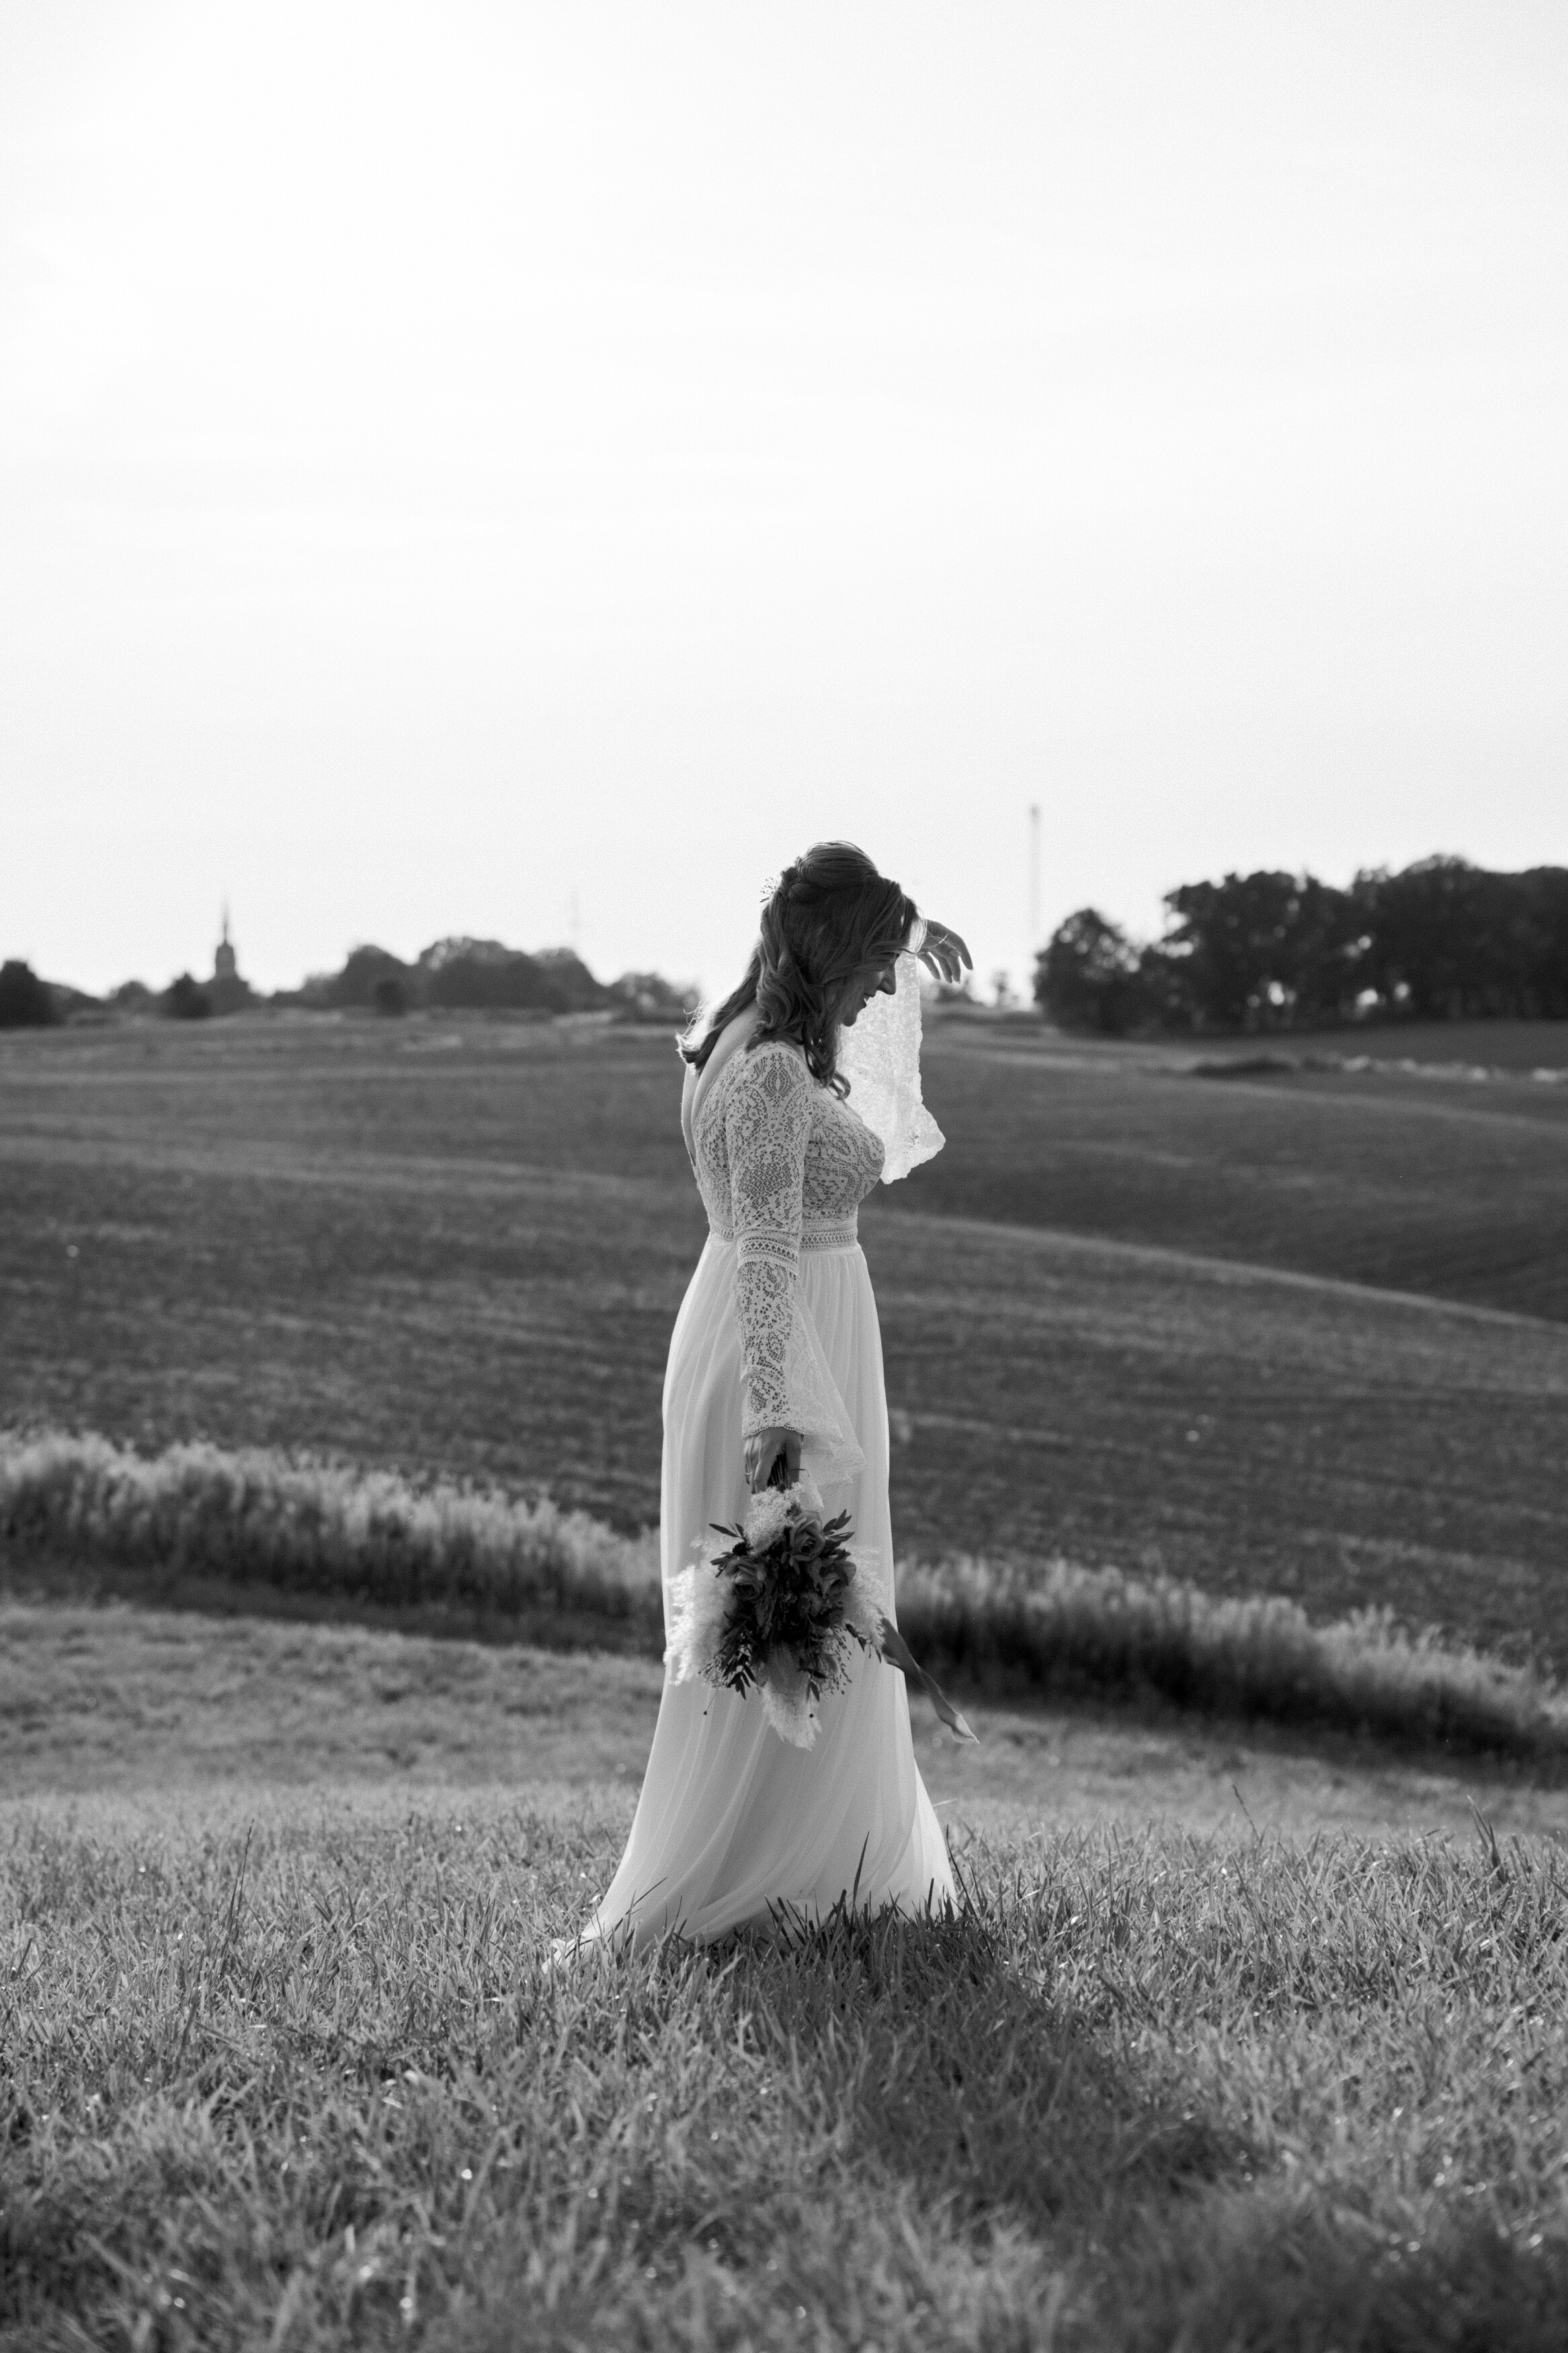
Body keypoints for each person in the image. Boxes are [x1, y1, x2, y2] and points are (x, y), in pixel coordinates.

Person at [569, 842, 972, 1950]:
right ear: (833, 952)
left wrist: (912, 939)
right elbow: (763, 1247)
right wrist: (776, 1410)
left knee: (794, 1614)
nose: (885, 989)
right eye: (876, 965)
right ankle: (772, 1879)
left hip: (781, 1333)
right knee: (781, 1609)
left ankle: (817, 1864)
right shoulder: (769, 1075)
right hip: (783, 1347)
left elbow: (852, 1114)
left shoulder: (738, 1039)